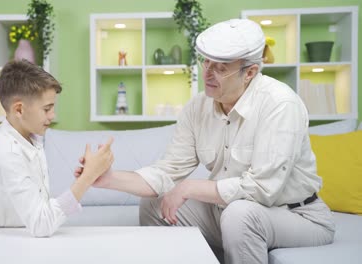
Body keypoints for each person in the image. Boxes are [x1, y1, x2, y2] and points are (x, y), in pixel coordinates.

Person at [74, 19, 335, 263]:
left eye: (221, 68)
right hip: (228, 212)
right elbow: (168, 171)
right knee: (154, 205)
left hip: (296, 215)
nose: (208, 73)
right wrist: (107, 178)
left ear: (250, 72)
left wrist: (187, 188)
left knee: (239, 215)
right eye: (206, 63)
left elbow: (262, 189)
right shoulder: (197, 107)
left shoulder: (280, 104)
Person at [0, 59, 113, 237]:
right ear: (19, 110)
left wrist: (88, 175)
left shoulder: (29, 136)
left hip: (28, 238)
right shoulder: (7, 152)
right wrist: (88, 177)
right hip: (8, 242)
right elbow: (41, 225)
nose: (53, 115)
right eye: (47, 109)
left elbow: (40, 208)